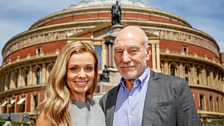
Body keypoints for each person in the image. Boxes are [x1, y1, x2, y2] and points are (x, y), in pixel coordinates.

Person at [99, 26, 201, 126]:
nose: (125, 59)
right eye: (119, 52)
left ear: (147, 53)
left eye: (133, 51)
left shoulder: (175, 88)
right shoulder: (106, 101)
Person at [36, 42, 106, 126]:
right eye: (74, 69)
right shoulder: (52, 114)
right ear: (63, 72)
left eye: (89, 68)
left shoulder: (97, 106)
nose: (82, 75)